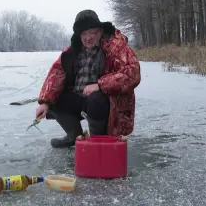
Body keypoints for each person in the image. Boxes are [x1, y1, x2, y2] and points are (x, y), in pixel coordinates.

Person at [35, 9, 141, 148]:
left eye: (92, 32)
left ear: (100, 30)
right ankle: (75, 136)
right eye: (84, 34)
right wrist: (45, 102)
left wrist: (100, 85)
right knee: (55, 100)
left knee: (96, 100)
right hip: (79, 98)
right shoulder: (71, 51)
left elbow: (132, 73)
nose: (88, 38)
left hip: (107, 102)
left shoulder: (116, 47)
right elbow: (56, 74)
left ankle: (97, 142)